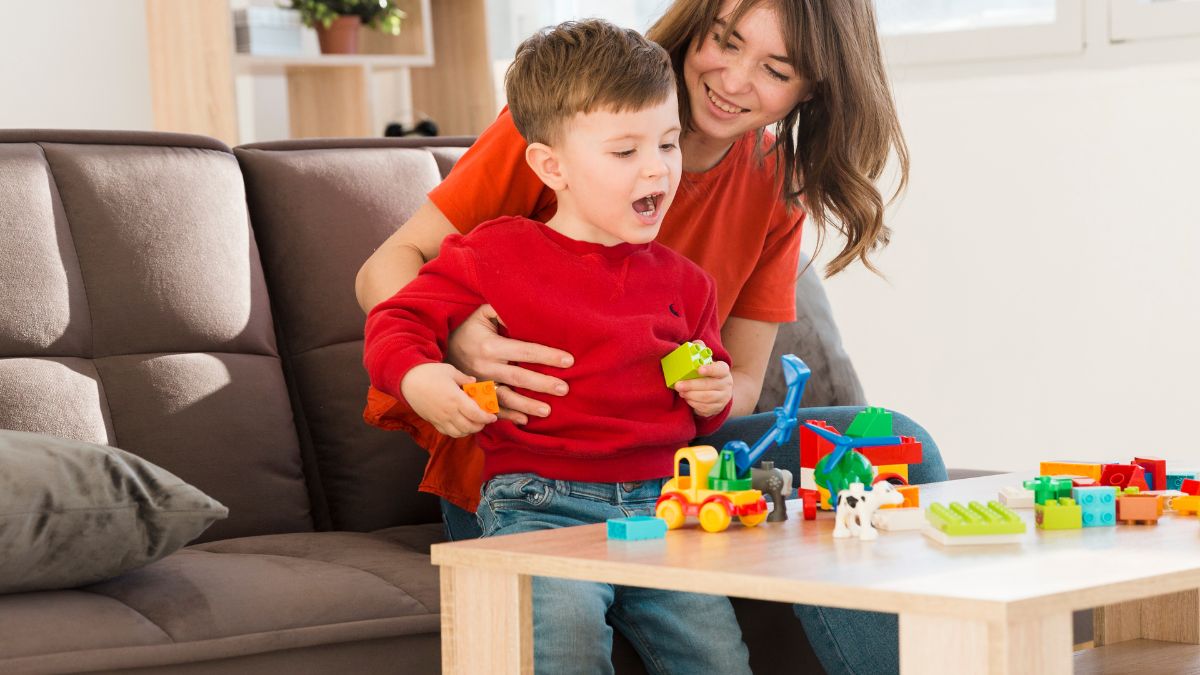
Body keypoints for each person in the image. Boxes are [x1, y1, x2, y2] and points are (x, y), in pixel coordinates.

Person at [358, 2, 948, 673]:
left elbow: (742, 386)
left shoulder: (774, 190)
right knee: (562, 614)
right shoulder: (577, 123)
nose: (732, 78)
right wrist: (458, 337)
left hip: (661, 460)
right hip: (529, 458)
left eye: (776, 69)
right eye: (725, 41)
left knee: (894, 446)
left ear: (812, 89)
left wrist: (704, 385)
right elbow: (388, 269)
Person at [364, 19, 752, 674]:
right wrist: (421, 378)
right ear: (552, 166)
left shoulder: (687, 284)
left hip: (664, 508)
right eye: (625, 152)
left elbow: (699, 388)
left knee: (719, 657)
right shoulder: (495, 254)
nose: (657, 167)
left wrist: (711, 393)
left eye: (667, 142)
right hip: (541, 505)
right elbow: (396, 320)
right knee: (563, 637)